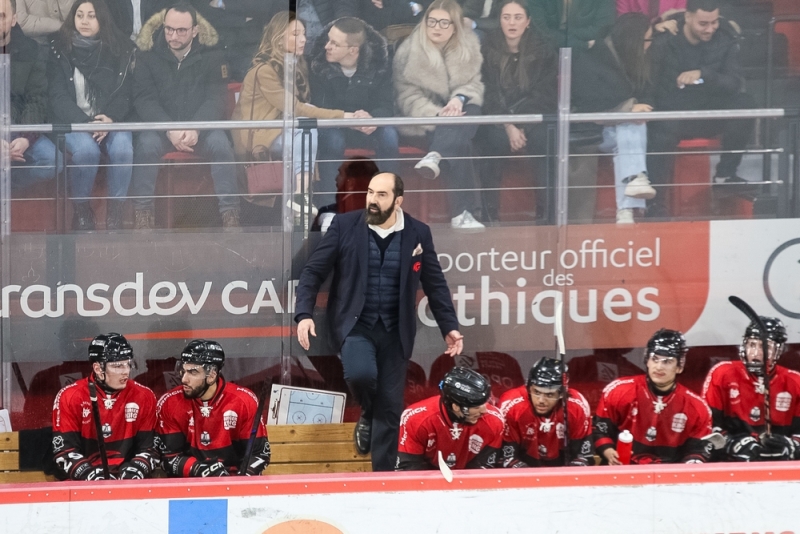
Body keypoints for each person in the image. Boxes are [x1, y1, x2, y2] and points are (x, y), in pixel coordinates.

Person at [294, 172, 464, 471]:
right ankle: (367, 412)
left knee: (390, 408)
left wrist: (449, 326)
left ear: (398, 200)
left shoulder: (418, 233)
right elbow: (312, 272)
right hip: (355, 325)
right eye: (370, 192)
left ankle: (381, 477)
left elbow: (435, 284)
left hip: (395, 331)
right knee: (360, 375)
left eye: (381, 195)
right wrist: (304, 314)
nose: (372, 199)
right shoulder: (345, 225)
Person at [230, 11, 356, 223]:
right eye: (296, 34)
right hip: (260, 136)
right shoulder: (264, 70)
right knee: (306, 129)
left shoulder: (297, 66)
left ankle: (301, 198)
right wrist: (344, 116)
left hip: (284, 131)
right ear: (279, 39)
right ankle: (302, 197)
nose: (304, 40)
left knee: (307, 131)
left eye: (304, 34)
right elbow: (295, 108)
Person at [131, 3, 239, 230]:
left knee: (221, 146)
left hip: (201, 127)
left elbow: (216, 99)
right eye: (169, 29)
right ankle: (143, 215)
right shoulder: (147, 55)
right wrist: (169, 129)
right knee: (145, 146)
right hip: (161, 128)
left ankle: (230, 216)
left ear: (195, 31)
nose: (173, 35)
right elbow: (144, 99)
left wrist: (195, 128)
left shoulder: (213, 55)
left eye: (181, 30)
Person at [646, 0, 755, 216]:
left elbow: (734, 83)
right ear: (688, 17)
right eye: (703, 23)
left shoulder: (725, 38)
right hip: (672, 112)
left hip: (708, 110)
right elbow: (649, 82)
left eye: (714, 22)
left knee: (746, 103)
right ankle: (656, 204)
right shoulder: (665, 40)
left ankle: (725, 174)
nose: (710, 28)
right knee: (660, 130)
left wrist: (704, 74)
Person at [393, 0, 485, 230]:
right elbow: (407, 98)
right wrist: (439, 113)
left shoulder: (469, 46)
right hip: (423, 119)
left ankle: (436, 154)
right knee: (459, 142)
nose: (437, 27)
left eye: (444, 22)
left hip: (457, 115)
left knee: (471, 109)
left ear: (455, 26)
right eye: (432, 21)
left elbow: (473, 84)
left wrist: (458, 99)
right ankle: (461, 214)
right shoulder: (408, 51)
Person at [47, 0, 135, 230]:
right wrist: (85, 123)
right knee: (86, 150)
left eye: (91, 16)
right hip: (74, 121)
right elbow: (57, 97)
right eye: (80, 15)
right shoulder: (58, 48)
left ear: (102, 19)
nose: (84, 21)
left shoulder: (120, 49)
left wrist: (111, 119)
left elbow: (126, 92)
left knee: (123, 147)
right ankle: (82, 210)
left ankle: (115, 212)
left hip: (109, 119)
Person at [572, 13, 657, 224]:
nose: (650, 45)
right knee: (630, 122)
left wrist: (636, 110)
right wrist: (628, 108)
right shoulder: (593, 57)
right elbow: (591, 105)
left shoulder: (639, 61)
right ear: (634, 41)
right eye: (647, 40)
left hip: (617, 131)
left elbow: (649, 96)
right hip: (591, 131)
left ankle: (627, 208)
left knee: (630, 126)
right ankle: (631, 197)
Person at [478, 0, 556, 223]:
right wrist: (508, 125)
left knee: (545, 141)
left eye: (518, 17)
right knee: (491, 142)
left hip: (533, 117)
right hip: (498, 118)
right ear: (499, 20)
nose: (512, 23)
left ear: (528, 21)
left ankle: (547, 217)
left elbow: (545, 95)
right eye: (506, 17)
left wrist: (520, 124)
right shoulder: (486, 49)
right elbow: (487, 93)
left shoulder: (544, 50)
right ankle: (489, 216)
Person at [310, 17, 400, 208]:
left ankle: (388, 205)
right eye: (328, 39)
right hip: (334, 125)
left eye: (335, 43)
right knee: (332, 140)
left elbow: (387, 104)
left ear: (353, 50)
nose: (327, 46)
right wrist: (348, 118)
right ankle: (328, 207)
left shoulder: (380, 64)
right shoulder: (317, 65)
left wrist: (372, 119)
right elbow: (320, 106)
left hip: (369, 125)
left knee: (390, 136)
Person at [593, 329, 713, 464]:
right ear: (647, 361)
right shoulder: (619, 391)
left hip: (670, 476)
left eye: (667, 362)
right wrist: (609, 452)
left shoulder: (697, 407)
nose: (659, 367)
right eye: (654, 359)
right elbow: (599, 431)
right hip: (623, 470)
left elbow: (698, 450)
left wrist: (690, 464)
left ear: (679, 366)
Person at [156, 339, 270, 477]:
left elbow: (259, 454)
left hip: (233, 484)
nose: (184, 379)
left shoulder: (244, 401)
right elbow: (167, 458)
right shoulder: (170, 403)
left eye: (193, 372)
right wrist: (199, 469)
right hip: (187, 486)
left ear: (211, 376)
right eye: (183, 371)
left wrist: (241, 480)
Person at [52, 333, 158, 480]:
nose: (126, 371)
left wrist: (135, 470)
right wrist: (90, 475)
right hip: (83, 486)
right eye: (117, 366)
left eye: (128, 364)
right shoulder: (71, 396)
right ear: (97, 368)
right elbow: (65, 451)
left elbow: (150, 449)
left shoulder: (144, 396)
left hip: (130, 485)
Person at [703, 317, 800, 462]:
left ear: (778, 350)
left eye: (765, 347)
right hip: (731, 465)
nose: (755, 353)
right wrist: (732, 443)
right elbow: (705, 426)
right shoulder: (722, 374)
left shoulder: (795, 382)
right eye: (752, 345)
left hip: (779, 468)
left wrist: (791, 446)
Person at [396, 367, 503, 470]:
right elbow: (409, 468)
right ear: (455, 407)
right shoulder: (416, 419)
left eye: (485, 403)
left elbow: (483, 470)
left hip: (468, 479)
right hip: (426, 477)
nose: (484, 411)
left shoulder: (494, 421)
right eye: (476, 407)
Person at [4, 0, 60, 192]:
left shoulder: (31, 50)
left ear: (13, 19)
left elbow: (36, 98)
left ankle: (9, 184)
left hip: (20, 125)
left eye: (2, 16)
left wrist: (27, 137)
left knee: (53, 161)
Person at [499, 357, 594, 467]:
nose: (541, 401)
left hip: (562, 465)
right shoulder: (512, 407)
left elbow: (584, 456)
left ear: (562, 394)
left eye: (549, 395)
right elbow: (506, 457)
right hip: (524, 466)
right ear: (528, 387)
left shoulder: (577, 407)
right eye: (536, 392)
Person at [188, 0, 280, 81]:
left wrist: (224, 4)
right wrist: (243, 19)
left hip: (249, 46)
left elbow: (261, 7)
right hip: (214, 49)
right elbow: (204, 9)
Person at [528, 0, 615, 49]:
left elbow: (603, 27)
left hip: (590, 50)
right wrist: (578, 44)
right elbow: (540, 30)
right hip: (547, 48)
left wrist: (569, 36)